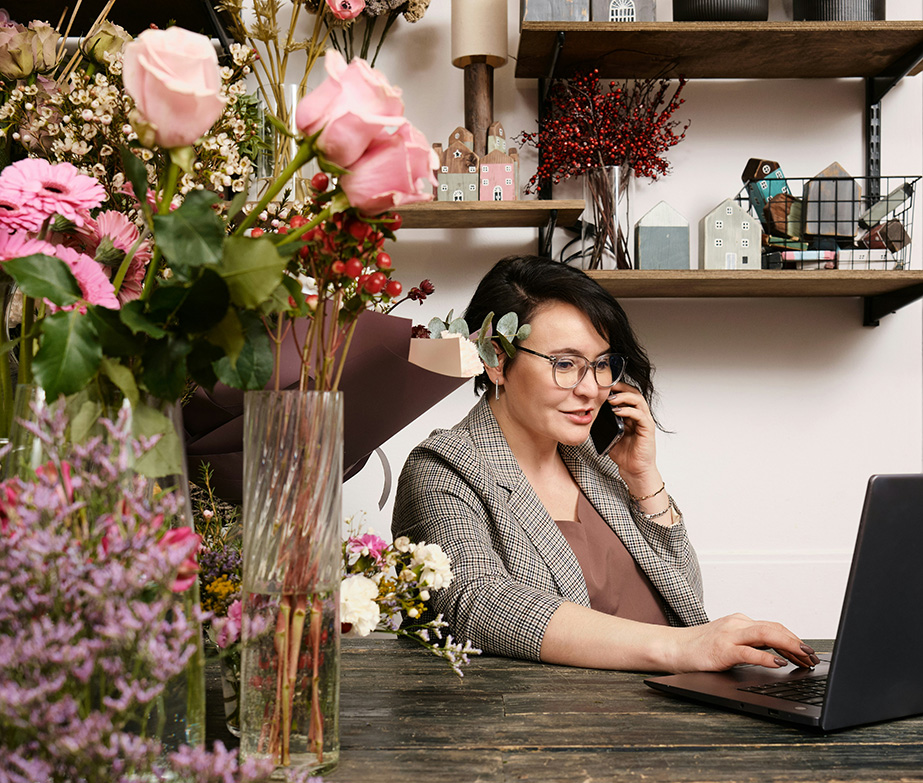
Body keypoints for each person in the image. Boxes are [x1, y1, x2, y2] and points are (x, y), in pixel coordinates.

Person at [392, 255, 818, 673]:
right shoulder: (441, 468)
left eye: (601, 365)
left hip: (680, 707)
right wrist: (680, 649)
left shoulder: (598, 462)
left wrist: (642, 479)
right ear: (496, 361)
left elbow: (684, 601)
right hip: (563, 724)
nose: (593, 389)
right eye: (565, 364)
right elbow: (477, 601)